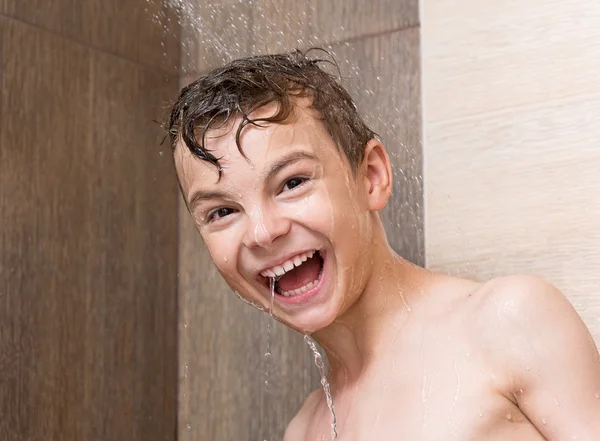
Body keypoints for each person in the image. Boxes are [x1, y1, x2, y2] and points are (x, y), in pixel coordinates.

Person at [166, 49, 600, 440]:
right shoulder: (304, 431)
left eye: (292, 183)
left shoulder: (508, 323)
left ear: (371, 177)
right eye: (222, 212)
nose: (262, 232)